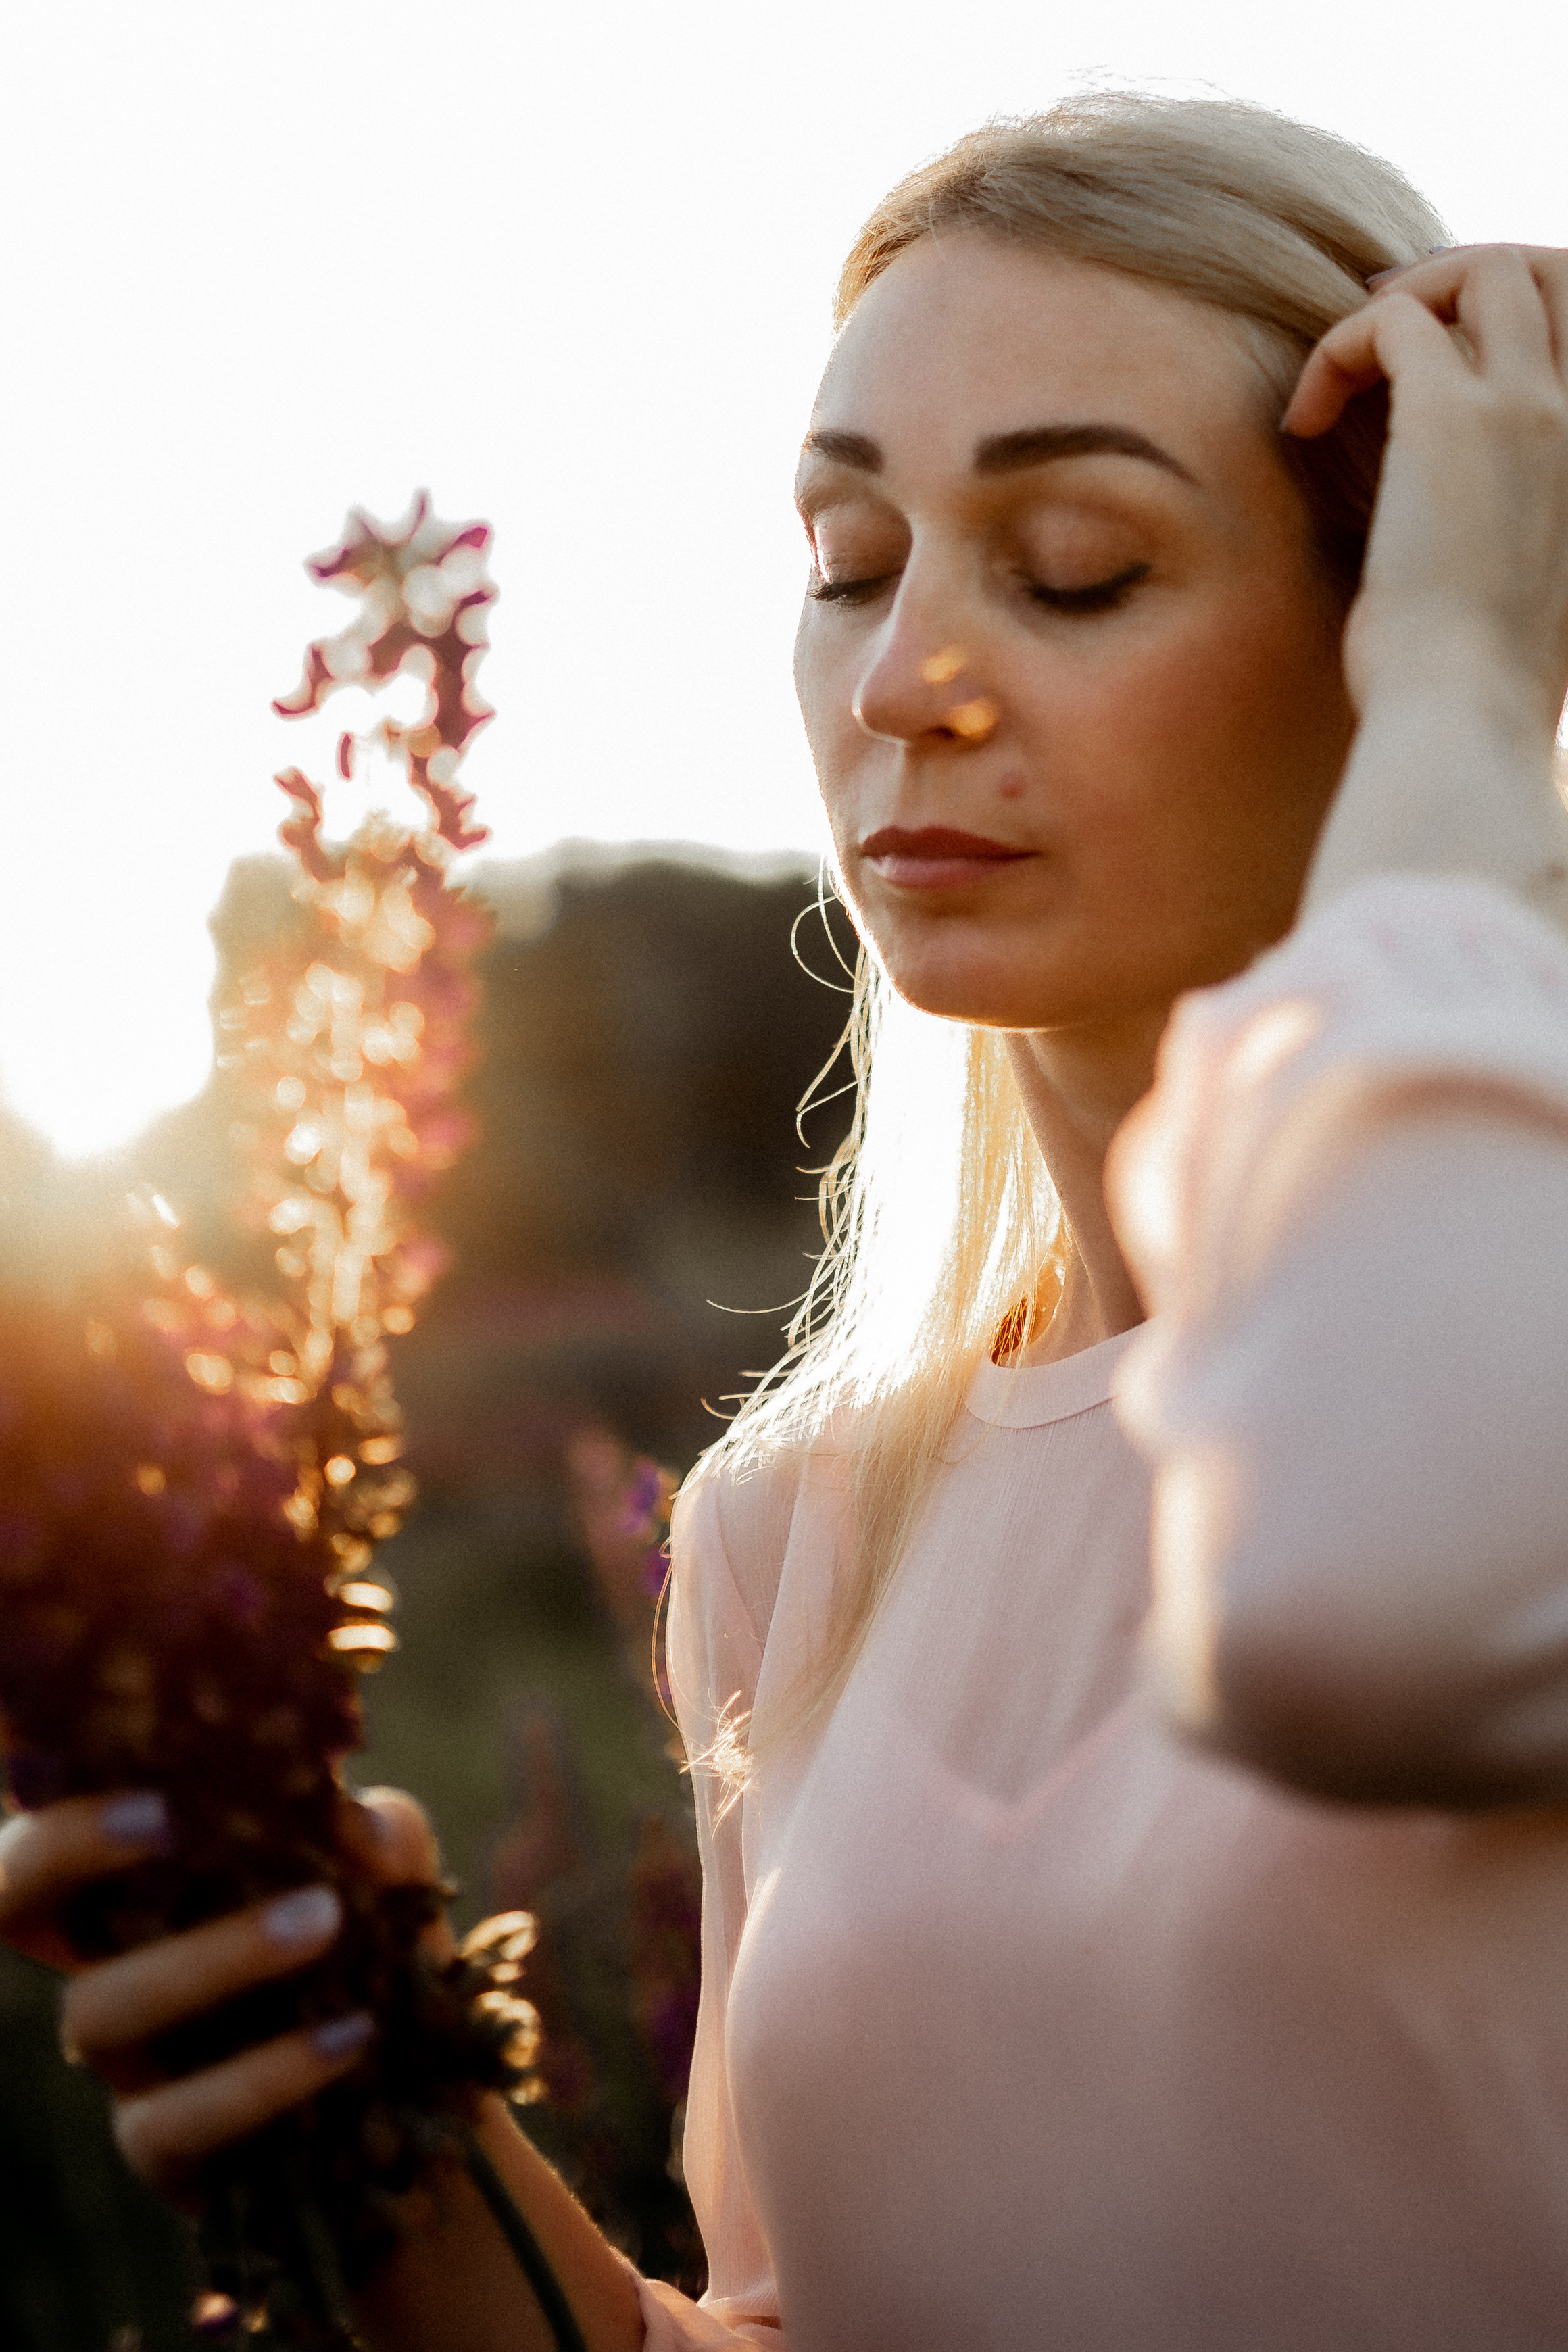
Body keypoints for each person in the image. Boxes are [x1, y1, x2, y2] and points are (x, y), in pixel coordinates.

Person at [5, 89, 1568, 2351]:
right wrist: (392, 2146)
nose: (900, 681)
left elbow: (1372, 1600)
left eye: (1077, 566)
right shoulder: (799, 1529)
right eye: (847, 562)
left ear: (1399, 614)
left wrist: (1469, 695)